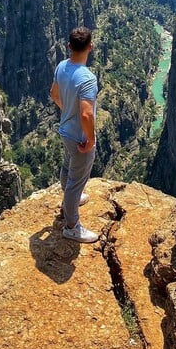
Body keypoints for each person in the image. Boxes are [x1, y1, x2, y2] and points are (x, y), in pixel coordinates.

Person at [50, 26, 98, 243]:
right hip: (79, 137)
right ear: (90, 47)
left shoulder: (61, 66)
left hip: (65, 131)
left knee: (68, 167)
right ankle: (71, 226)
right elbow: (87, 115)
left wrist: (66, 110)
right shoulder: (88, 78)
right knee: (76, 181)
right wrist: (91, 140)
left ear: (69, 46)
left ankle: (71, 199)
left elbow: (53, 94)